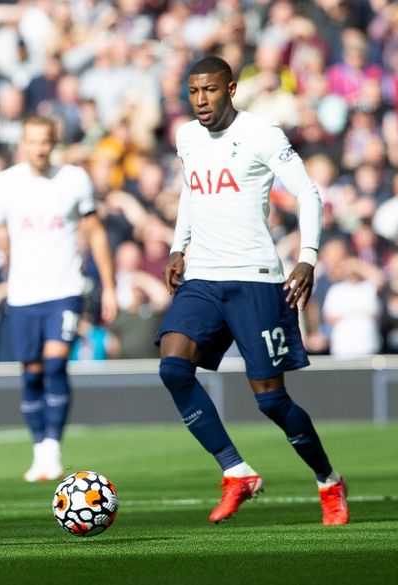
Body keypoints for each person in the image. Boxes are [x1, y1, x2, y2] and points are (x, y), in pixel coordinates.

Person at [157, 55, 348, 526]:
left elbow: (307, 193)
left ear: (232, 89)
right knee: (173, 368)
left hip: (254, 277)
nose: (201, 100)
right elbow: (190, 191)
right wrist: (178, 246)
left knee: (270, 400)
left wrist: (307, 256)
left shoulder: (263, 134)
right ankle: (236, 471)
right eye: (194, 91)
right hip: (202, 274)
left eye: (211, 90)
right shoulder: (187, 137)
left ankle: (328, 479)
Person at [0, 116, 118, 483]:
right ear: (22, 144)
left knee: (56, 364)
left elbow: (95, 233)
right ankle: (39, 450)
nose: (39, 148)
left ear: (54, 142)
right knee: (31, 372)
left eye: (45, 141)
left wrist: (108, 285)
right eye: (33, 142)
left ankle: (53, 449)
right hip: (24, 293)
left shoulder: (74, 179)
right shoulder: (7, 184)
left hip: (65, 290)